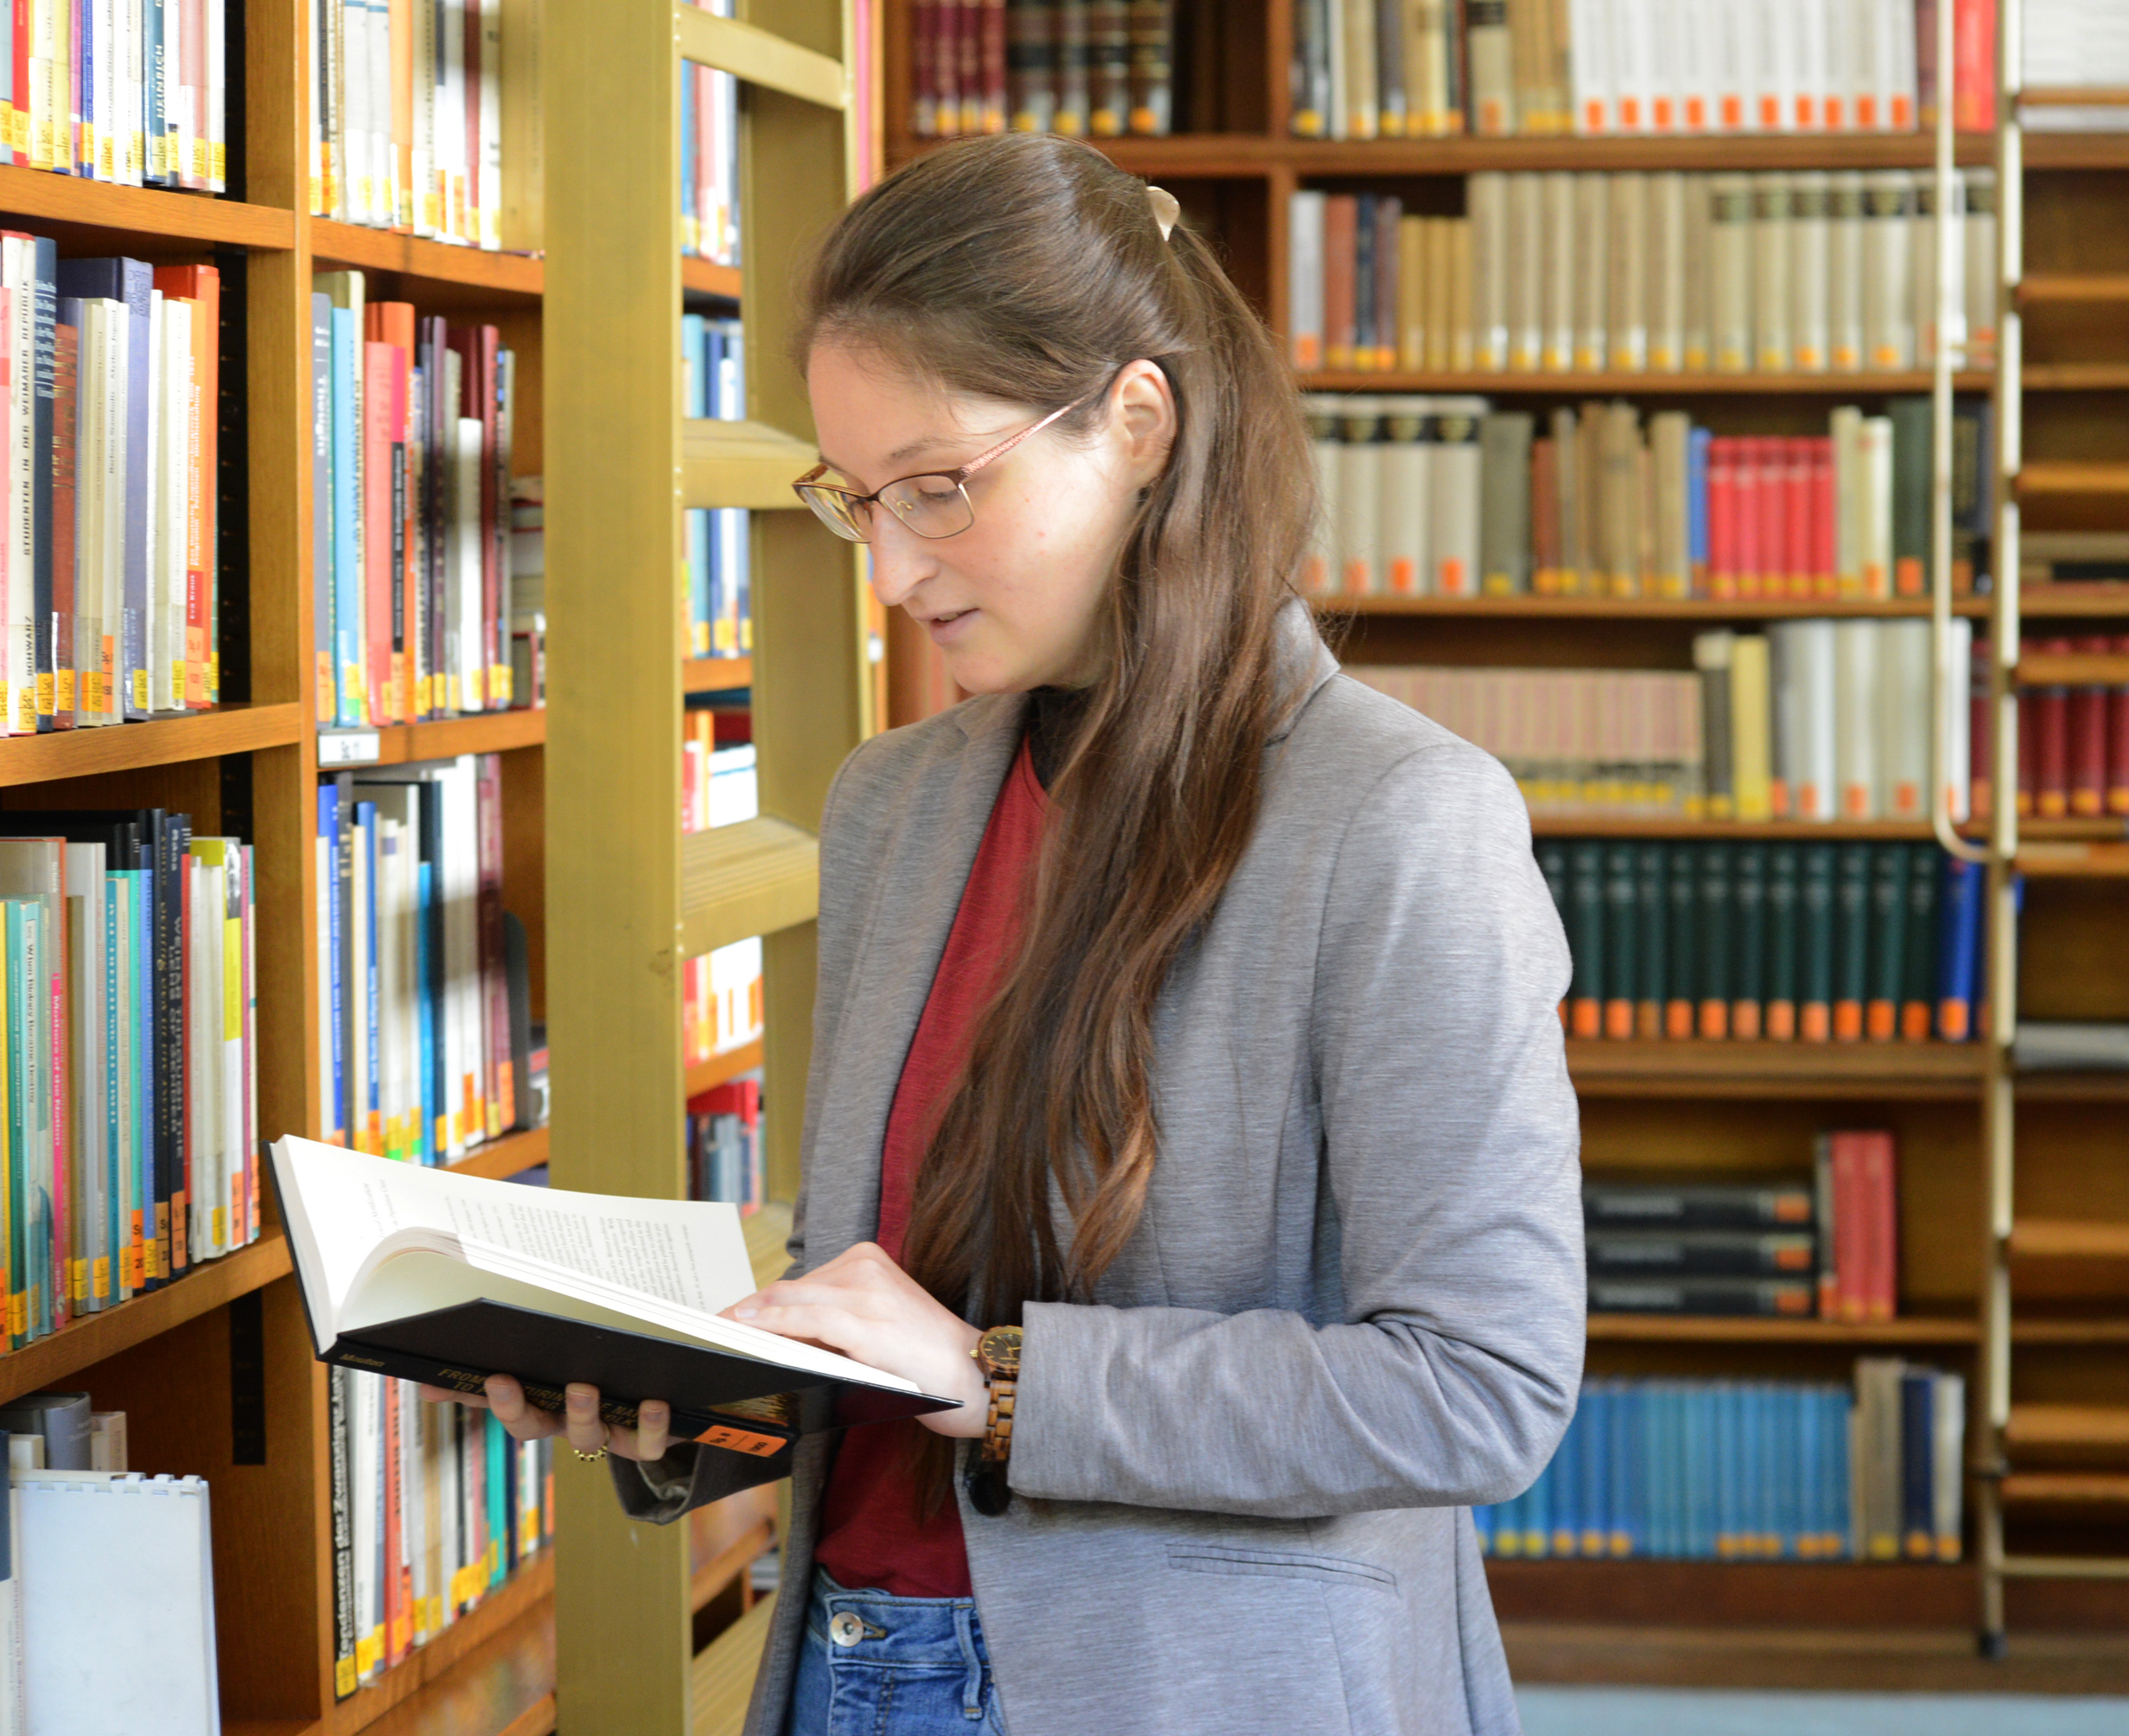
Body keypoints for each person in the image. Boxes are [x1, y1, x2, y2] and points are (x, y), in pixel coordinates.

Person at [463, 131, 1582, 1736]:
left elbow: (1480, 1388)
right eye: (860, 501)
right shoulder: (892, 808)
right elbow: (901, 1306)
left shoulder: (1398, 818)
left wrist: (1002, 1384)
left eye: (940, 487)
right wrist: (700, 1407)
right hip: (851, 1660)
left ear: (1136, 422)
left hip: (1185, 1687)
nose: (896, 569)